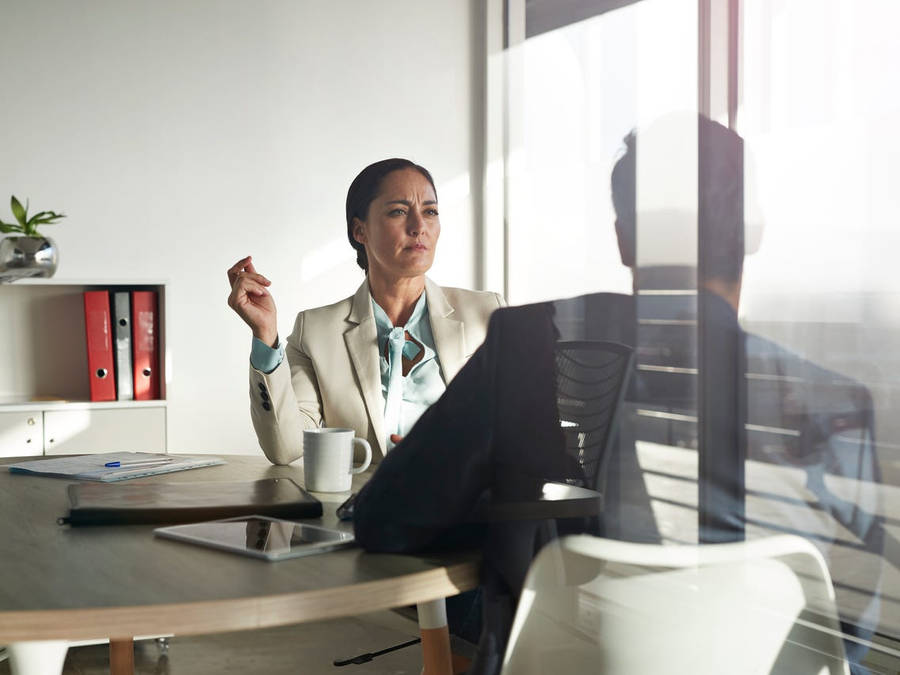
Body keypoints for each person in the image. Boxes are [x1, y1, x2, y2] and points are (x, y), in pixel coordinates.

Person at [354, 117, 884, 674]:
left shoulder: (531, 343)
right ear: (752, 232)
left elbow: (387, 518)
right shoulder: (836, 402)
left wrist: (517, 514)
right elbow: (850, 625)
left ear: (624, 239)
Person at [227, 158, 504, 465]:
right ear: (360, 231)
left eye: (430, 211)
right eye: (399, 211)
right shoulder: (316, 330)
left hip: (463, 505)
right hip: (363, 508)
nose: (419, 227)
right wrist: (265, 335)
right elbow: (285, 447)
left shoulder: (487, 314)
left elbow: (520, 429)